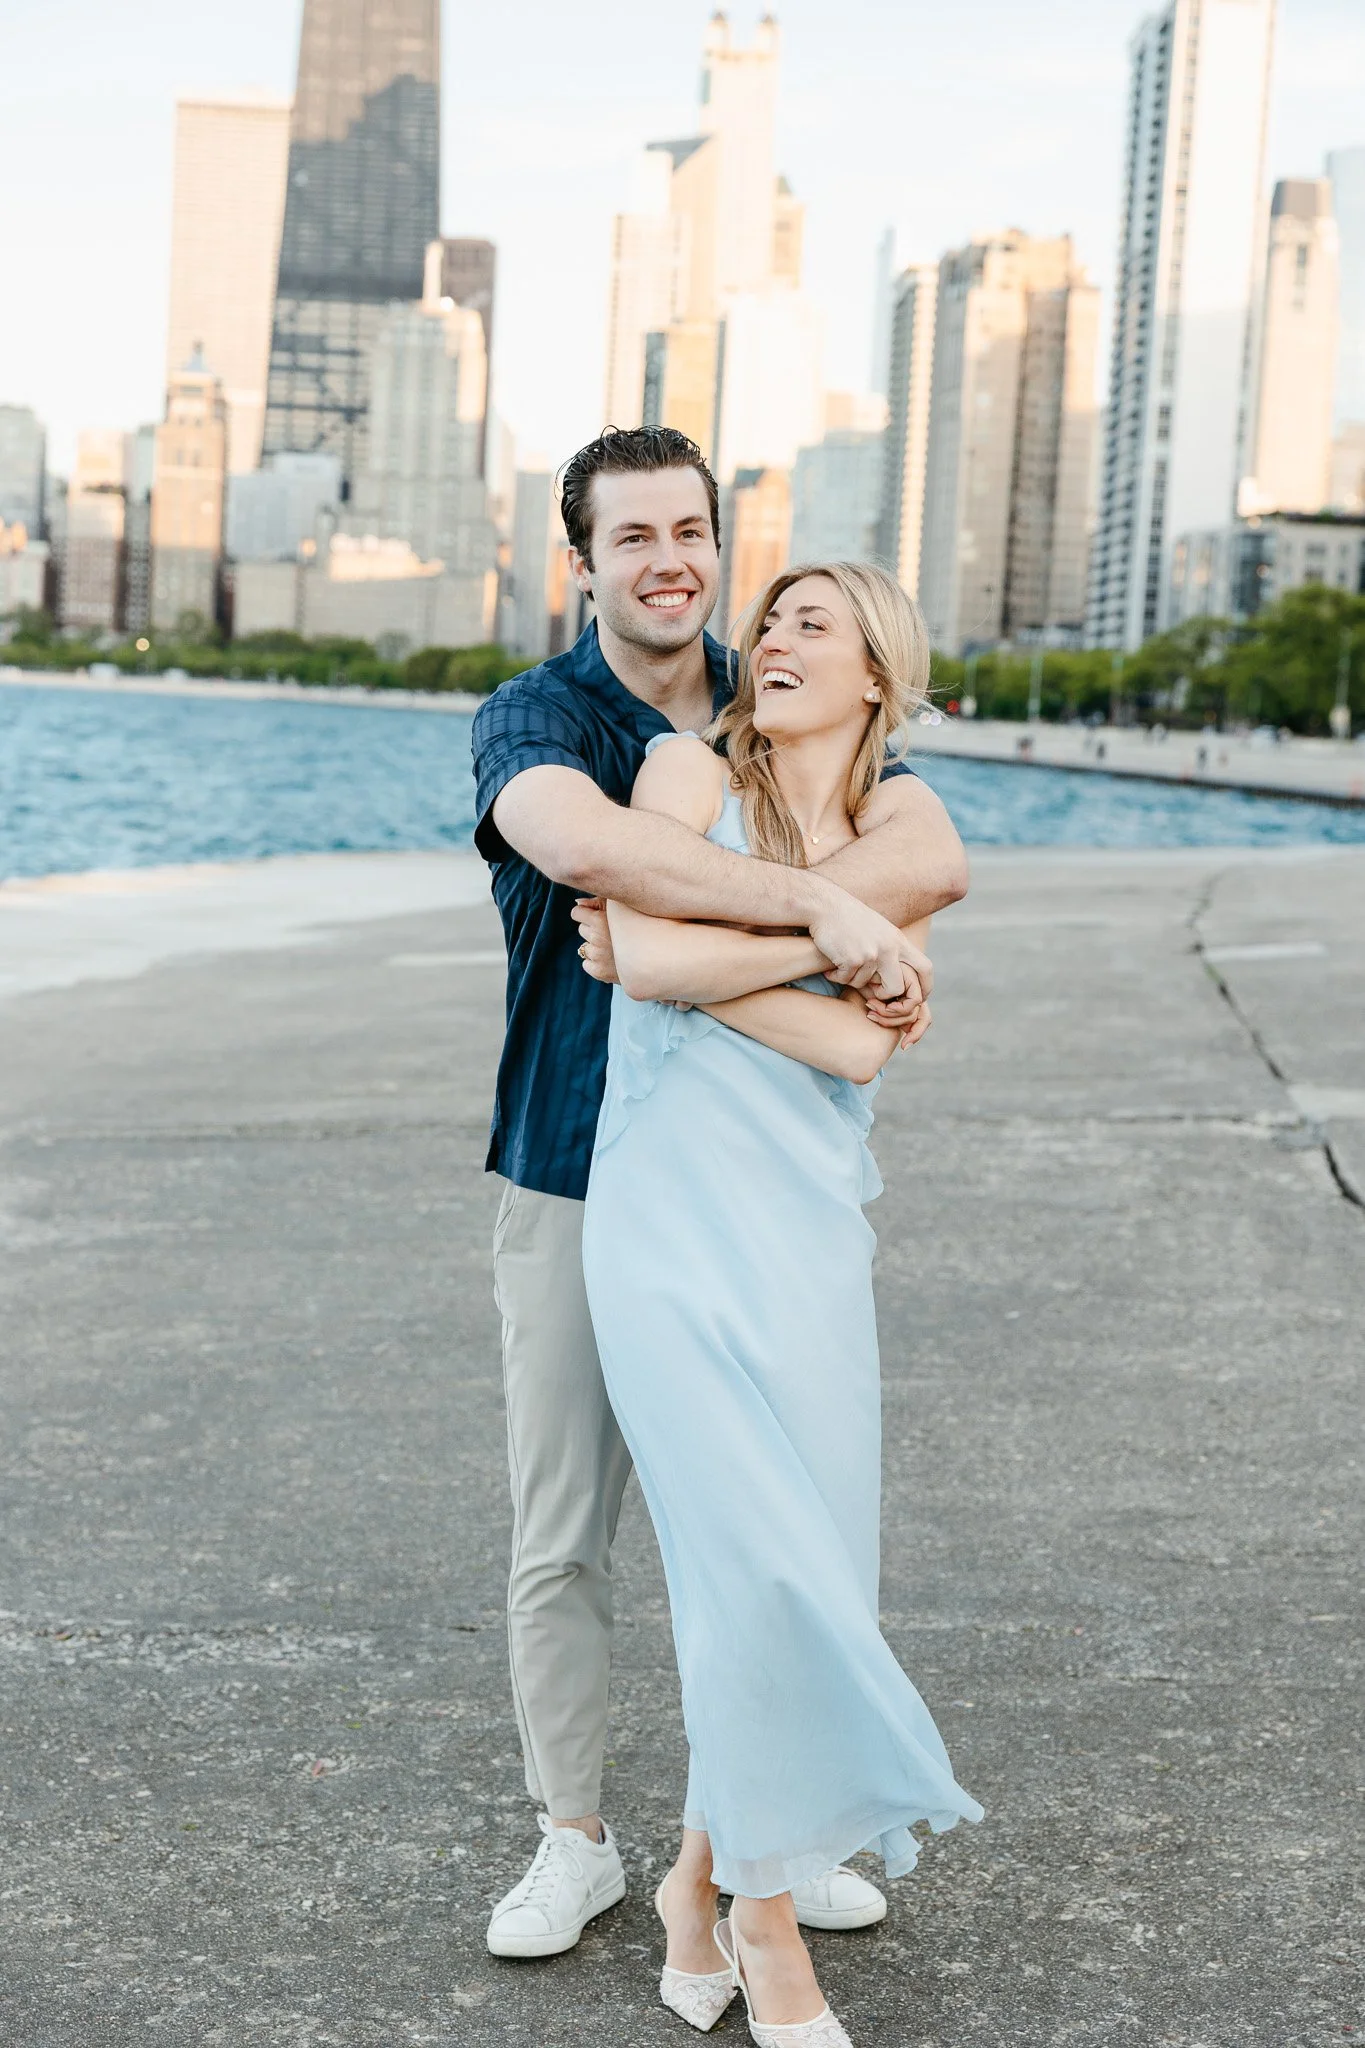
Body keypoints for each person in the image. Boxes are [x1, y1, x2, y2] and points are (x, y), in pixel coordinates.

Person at [470, 427, 968, 1963]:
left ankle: (761, 1832)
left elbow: (924, 860)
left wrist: (817, 908)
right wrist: (822, 907)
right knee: (571, 1530)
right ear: (587, 563)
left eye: (692, 530)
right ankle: (575, 1839)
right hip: (573, 1166)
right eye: (635, 537)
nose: (672, 560)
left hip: (754, 1183)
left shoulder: (781, 718)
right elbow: (589, 855)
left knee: (776, 1527)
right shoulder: (541, 714)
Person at [580, 562, 982, 2043]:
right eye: (772, 622)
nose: (775, 639)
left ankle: (695, 1883)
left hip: (807, 1246)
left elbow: (857, 1054)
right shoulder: (688, 769)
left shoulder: (904, 822)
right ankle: (763, 1923)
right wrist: (841, 947)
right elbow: (637, 951)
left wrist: (704, 962)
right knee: (745, 1566)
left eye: (814, 623)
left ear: (878, 668)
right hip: (664, 1232)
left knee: (807, 1572)